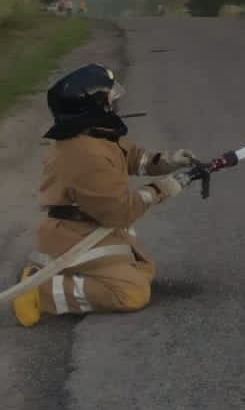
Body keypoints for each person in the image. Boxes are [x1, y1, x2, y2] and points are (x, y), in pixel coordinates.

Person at [11, 63, 197, 327]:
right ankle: (40, 290)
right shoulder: (86, 155)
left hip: (89, 226)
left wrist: (169, 161)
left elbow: (134, 158)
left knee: (143, 270)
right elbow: (120, 213)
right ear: (96, 106)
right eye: (110, 99)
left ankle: (59, 277)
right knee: (132, 293)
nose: (115, 104)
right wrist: (160, 190)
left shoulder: (96, 137)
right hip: (75, 236)